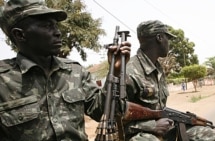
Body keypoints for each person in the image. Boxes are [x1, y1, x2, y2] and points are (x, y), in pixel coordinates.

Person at [0, 0, 131, 140]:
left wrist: (115, 71)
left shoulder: (75, 71)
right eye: (47, 26)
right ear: (20, 35)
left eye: (56, 25)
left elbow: (101, 112)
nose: (57, 32)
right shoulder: (3, 80)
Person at [124, 20, 215, 141]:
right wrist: (152, 126)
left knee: (206, 134)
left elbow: (160, 109)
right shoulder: (129, 70)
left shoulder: (158, 69)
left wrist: (182, 119)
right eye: (167, 38)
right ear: (159, 37)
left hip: (163, 128)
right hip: (138, 134)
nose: (169, 43)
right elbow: (115, 116)